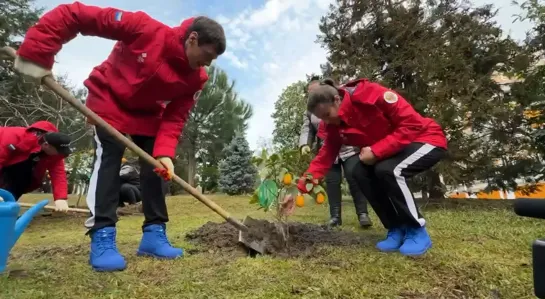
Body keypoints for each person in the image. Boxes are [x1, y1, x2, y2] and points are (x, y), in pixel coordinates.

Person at [13, 1, 226, 272]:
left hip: (148, 115)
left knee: (156, 169)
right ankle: (102, 234)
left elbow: (175, 117)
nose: (206, 64)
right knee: (109, 159)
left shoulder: (197, 77)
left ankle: (154, 234)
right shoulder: (144, 28)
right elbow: (76, 15)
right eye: (206, 55)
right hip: (110, 101)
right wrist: (38, 52)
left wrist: (163, 153)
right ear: (192, 39)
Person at [297, 78, 447, 256]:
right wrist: (300, 189)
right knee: (359, 172)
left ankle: (416, 229)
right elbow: (325, 155)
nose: (327, 122)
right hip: (390, 150)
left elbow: (411, 124)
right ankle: (396, 228)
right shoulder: (332, 125)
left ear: (337, 100)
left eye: (328, 115)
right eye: (322, 119)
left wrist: (376, 151)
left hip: (424, 139)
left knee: (389, 170)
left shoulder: (369, 95)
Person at [299, 79, 372, 228]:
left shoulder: (340, 102)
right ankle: (335, 216)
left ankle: (363, 214)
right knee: (332, 182)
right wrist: (304, 144)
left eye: (315, 91)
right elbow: (307, 129)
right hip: (329, 147)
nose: (313, 94)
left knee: (354, 176)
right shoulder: (310, 112)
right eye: (310, 93)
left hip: (349, 147)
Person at [0, 120, 71, 212]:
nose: (60, 154)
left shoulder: (55, 151)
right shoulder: (12, 137)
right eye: (59, 151)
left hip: (19, 172)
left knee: (20, 181)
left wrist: (61, 198)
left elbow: (58, 173)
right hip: (5, 162)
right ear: (46, 145)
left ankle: (4, 211)